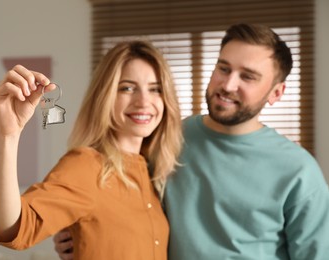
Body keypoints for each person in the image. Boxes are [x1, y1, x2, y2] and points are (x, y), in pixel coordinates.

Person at [54, 23, 329, 260]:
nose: (228, 84)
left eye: (247, 76)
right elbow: (119, 203)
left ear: (276, 93)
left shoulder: (298, 171)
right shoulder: (165, 137)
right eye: (224, 68)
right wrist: (75, 231)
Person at [0, 40, 183, 260]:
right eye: (127, 88)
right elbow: (14, 229)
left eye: (155, 89)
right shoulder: (87, 165)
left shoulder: (152, 174)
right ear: (105, 96)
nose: (144, 101)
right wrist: (7, 136)